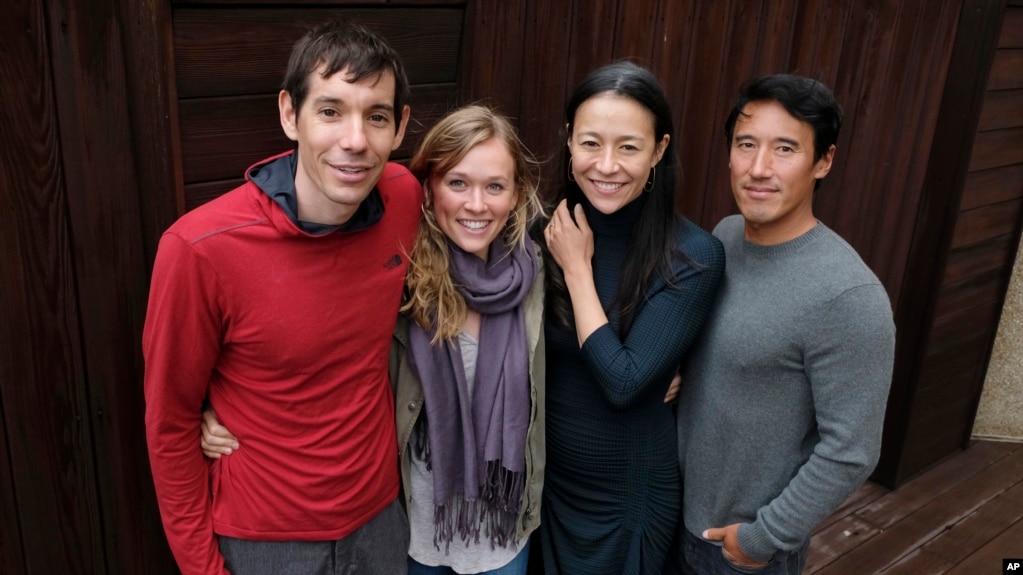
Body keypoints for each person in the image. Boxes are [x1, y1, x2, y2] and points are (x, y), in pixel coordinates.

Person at [201, 105, 548, 575]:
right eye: (458, 183)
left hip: (507, 528)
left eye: (495, 186)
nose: (476, 205)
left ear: (516, 193)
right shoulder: (397, 273)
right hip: (413, 528)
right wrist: (217, 404)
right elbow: (310, 339)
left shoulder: (538, 277)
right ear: (429, 188)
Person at [143, 19, 420, 575]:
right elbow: (170, 426)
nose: (355, 140)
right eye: (330, 111)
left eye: (377, 117)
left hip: (381, 521)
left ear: (400, 128)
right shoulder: (199, 250)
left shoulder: (404, 198)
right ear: (290, 115)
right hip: (265, 540)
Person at [664, 74, 896, 575]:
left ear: (824, 161)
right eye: (747, 144)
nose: (759, 168)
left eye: (785, 149)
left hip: (739, 551)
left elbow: (852, 450)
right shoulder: (724, 238)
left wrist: (760, 539)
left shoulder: (848, 296)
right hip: (671, 515)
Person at [538, 61, 725, 575]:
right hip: (545, 489)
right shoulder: (539, 231)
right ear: (569, 140)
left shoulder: (692, 255)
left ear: (659, 151)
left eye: (629, 147)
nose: (606, 165)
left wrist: (577, 270)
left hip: (627, 497)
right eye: (591, 143)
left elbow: (624, 383)